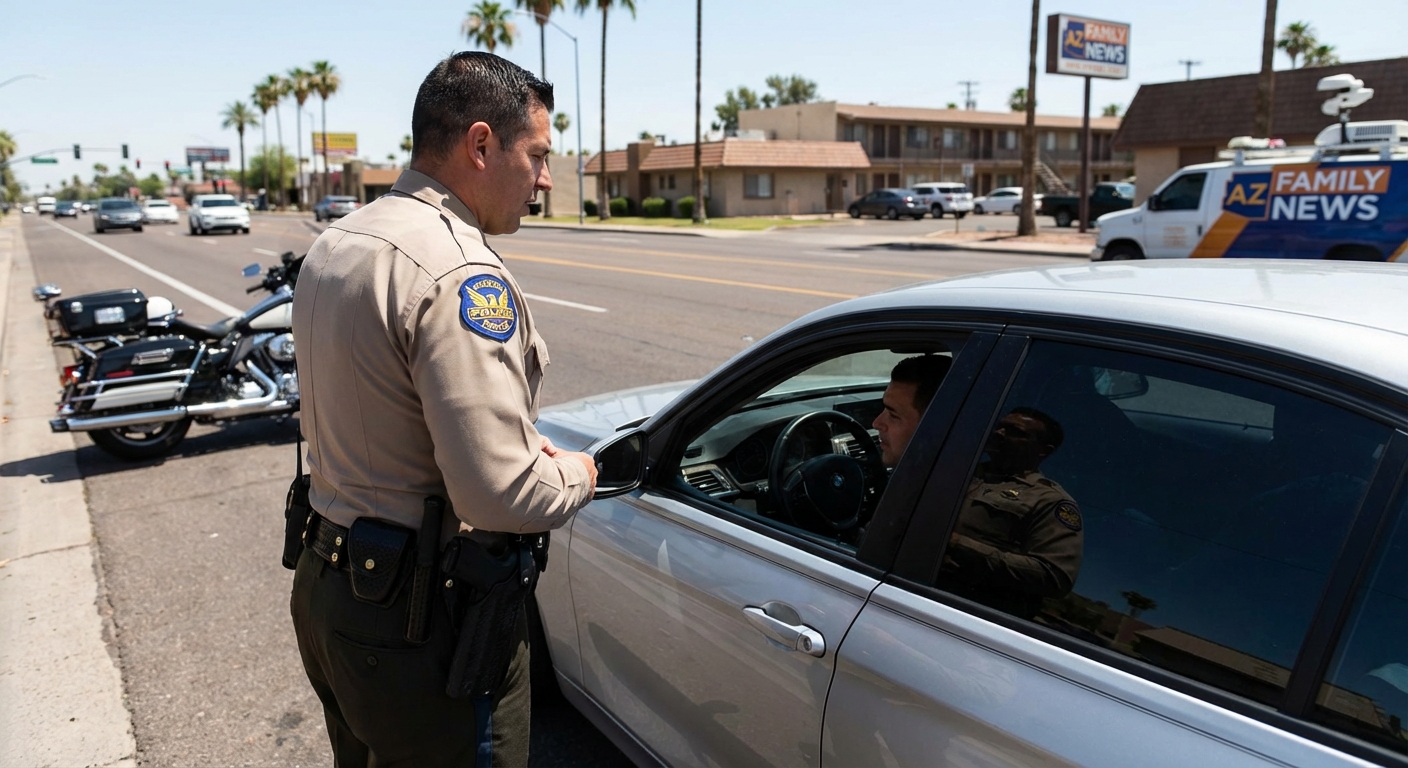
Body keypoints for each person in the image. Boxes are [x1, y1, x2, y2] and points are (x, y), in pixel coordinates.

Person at [289, 52, 598, 767]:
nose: (546, 179)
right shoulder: (459, 272)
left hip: (330, 586)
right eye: (539, 156)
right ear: (481, 144)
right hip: (421, 623)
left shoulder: (343, 239)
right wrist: (580, 472)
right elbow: (498, 494)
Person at [940, 408, 1083, 619]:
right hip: (908, 584)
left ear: (1043, 450)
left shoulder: (1048, 500)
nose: (999, 433)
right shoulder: (958, 470)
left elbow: (1055, 577)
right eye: (999, 427)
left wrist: (955, 543)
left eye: (1015, 432)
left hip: (968, 613)